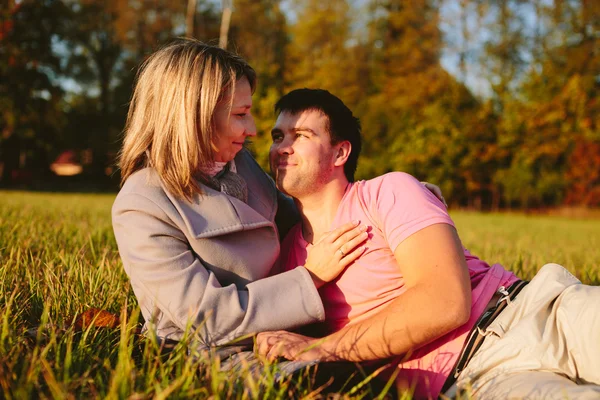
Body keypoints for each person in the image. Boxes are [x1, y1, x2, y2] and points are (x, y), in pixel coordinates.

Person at [256, 88, 600, 399]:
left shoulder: (387, 192)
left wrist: (323, 348)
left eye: (300, 135)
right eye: (277, 136)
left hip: (535, 313)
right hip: (474, 380)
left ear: (340, 153)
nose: (281, 147)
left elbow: (446, 301)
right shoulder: (287, 258)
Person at [111, 39, 370, 350]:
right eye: (240, 114)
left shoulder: (238, 163)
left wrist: (384, 201)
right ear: (195, 116)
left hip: (289, 328)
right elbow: (206, 320)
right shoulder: (142, 204)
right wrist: (310, 276)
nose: (253, 129)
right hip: (212, 355)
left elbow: (302, 217)